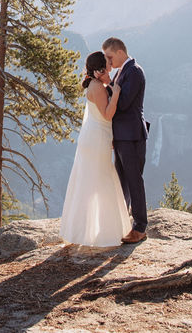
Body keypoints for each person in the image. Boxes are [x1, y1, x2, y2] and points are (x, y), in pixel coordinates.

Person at [59, 51, 131, 247]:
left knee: (89, 181)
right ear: (100, 68)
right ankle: (105, 232)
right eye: (107, 63)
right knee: (102, 181)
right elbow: (108, 115)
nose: (111, 64)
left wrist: (108, 83)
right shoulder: (97, 87)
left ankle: (83, 231)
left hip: (94, 136)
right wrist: (115, 92)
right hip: (98, 138)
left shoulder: (96, 84)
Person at [103, 37, 149, 244]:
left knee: (134, 179)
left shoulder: (135, 71)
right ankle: (123, 222)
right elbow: (110, 96)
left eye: (110, 57)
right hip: (121, 135)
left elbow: (122, 104)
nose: (109, 62)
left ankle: (140, 227)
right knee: (122, 180)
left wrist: (112, 92)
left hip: (132, 135)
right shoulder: (121, 72)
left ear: (120, 52)